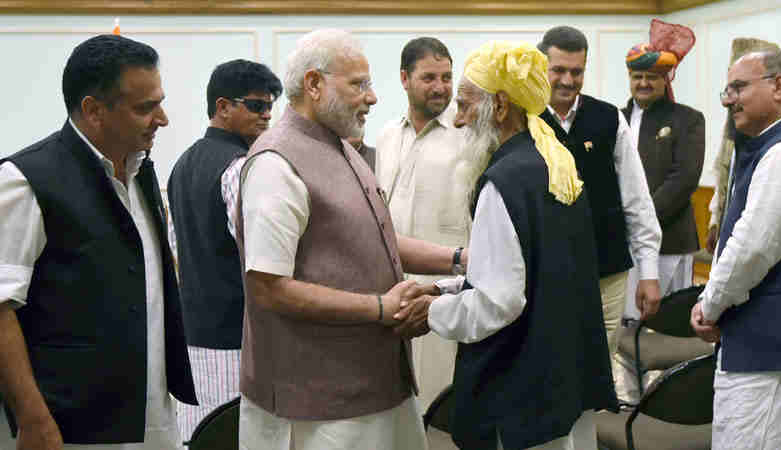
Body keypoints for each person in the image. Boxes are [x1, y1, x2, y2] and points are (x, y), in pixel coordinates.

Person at [235, 29, 462, 450]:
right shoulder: (276, 163)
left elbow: (378, 238)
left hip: (376, 387)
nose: (372, 97)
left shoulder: (342, 149)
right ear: (314, 85)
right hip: (318, 405)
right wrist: (380, 308)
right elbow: (268, 288)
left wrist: (458, 258)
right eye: (358, 84)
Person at [408, 40, 617, 450]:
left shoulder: (504, 182)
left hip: (520, 389)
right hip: (561, 378)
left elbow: (498, 301)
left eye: (466, 104)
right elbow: (532, 272)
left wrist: (431, 311)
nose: (459, 120)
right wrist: (442, 288)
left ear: (500, 107)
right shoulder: (555, 164)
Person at [0, 34, 196, 449]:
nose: (162, 119)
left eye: (159, 102)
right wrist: (33, 418)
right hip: (70, 427)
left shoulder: (142, 173)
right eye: (145, 108)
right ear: (93, 110)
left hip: (151, 417)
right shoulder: (24, 181)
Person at [166, 58, 282, 442]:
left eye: (270, 106)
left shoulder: (181, 165)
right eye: (255, 105)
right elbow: (263, 258)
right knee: (236, 438)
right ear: (222, 106)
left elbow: (174, 251)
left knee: (199, 438)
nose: (267, 115)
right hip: (237, 339)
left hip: (192, 337)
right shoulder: (240, 167)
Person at [690, 49, 781, 450]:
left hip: (770, 350)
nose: (726, 99)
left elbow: (754, 248)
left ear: (779, 86)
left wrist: (710, 304)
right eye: (726, 88)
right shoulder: (770, 145)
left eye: (738, 87)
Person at [537, 26, 662, 356]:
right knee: (553, 361)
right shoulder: (524, 119)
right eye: (559, 70)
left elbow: (637, 199)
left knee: (599, 364)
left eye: (576, 71)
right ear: (540, 68)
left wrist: (649, 273)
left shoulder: (609, 118)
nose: (568, 80)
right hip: (544, 272)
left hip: (606, 270)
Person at [375, 36, 475, 411]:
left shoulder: (470, 136)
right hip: (394, 291)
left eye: (447, 77)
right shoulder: (386, 137)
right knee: (397, 399)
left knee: (442, 395)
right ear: (404, 78)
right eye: (429, 77)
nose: (441, 87)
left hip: (447, 291)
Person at [621, 19, 705, 300]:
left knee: (666, 322)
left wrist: (640, 221)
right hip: (622, 241)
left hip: (670, 239)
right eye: (637, 76)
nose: (643, 83)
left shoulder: (687, 119)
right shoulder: (614, 120)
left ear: (665, 79)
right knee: (626, 323)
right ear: (630, 79)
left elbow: (684, 179)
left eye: (652, 77)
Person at [706, 38, 779, 255]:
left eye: (741, 86)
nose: (729, 99)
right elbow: (725, 176)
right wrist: (715, 221)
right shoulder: (736, 125)